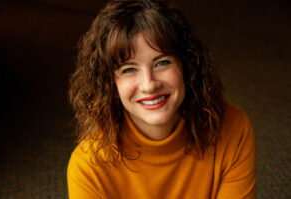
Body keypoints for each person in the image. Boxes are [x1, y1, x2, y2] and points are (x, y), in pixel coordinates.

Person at [67, 0, 256, 198]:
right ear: (110, 84)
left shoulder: (233, 128)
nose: (149, 85)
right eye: (129, 69)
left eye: (162, 63)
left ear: (187, 66)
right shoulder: (88, 167)